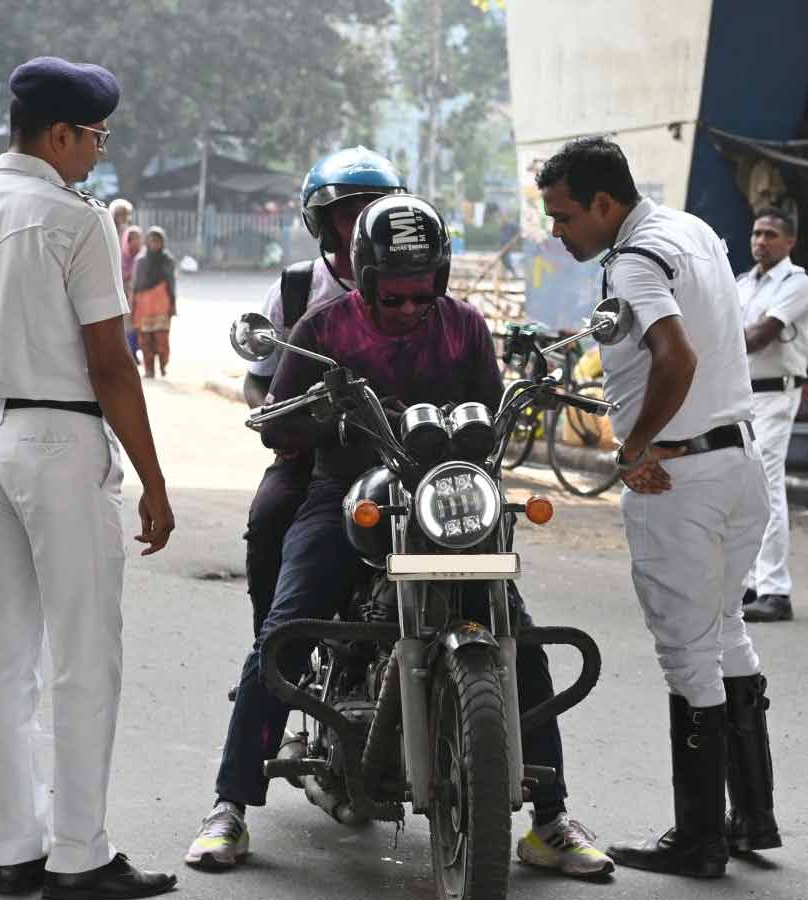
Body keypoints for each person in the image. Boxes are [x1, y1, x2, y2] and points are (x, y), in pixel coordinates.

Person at [185, 194, 613, 879]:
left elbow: (492, 415)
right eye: (395, 297)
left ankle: (552, 817)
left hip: (445, 497)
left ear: (439, 281)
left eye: (423, 295)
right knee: (286, 630)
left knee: (519, 638)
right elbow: (276, 423)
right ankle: (228, 804)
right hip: (348, 494)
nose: (411, 309)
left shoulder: (466, 327)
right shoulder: (325, 326)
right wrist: (329, 411)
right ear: (366, 278)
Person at [0, 56, 177, 899]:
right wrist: (154, 478)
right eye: (96, 137)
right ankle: (79, 853)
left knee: (0, 657)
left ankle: (10, 851)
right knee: (82, 656)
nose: (98, 154)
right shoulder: (79, 221)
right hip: (60, 442)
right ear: (60, 133)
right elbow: (111, 364)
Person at [537, 136, 780, 877]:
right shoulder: (695, 232)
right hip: (739, 464)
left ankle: (699, 838)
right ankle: (751, 819)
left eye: (564, 215)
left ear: (604, 204)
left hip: (680, 478)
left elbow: (678, 355)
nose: (556, 230)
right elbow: (712, 337)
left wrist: (635, 445)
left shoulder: (634, 260)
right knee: (727, 629)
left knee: (687, 655)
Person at [243, 146, 407, 638]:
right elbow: (258, 378)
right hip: (314, 454)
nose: (362, 222)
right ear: (323, 221)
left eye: (375, 209)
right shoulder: (297, 288)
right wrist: (275, 419)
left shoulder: (421, 286)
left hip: (403, 455)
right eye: (349, 211)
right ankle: (269, 653)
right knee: (269, 517)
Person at [737, 207, 808, 623]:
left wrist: (718, 342)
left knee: (767, 487)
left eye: (770, 234)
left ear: (790, 242)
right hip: (742, 396)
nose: (760, 240)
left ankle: (775, 590)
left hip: (775, 396)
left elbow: (761, 336)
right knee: (744, 490)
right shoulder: (743, 283)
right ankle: (750, 582)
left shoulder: (797, 282)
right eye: (756, 233)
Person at [131, 226, 175, 378]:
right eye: (152, 241)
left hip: (162, 305)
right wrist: (133, 305)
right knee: (145, 340)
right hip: (144, 305)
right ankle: (149, 369)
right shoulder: (141, 260)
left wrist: (173, 305)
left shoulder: (167, 260)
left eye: (158, 241)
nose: (155, 244)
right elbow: (135, 285)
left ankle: (163, 365)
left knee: (162, 339)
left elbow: (171, 283)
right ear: (147, 243)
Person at [120, 224, 144, 358]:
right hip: (126, 297)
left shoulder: (144, 257)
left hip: (142, 297)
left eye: (138, 238)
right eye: (132, 238)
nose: (136, 241)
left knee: (140, 326)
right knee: (128, 326)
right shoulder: (121, 258)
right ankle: (131, 354)